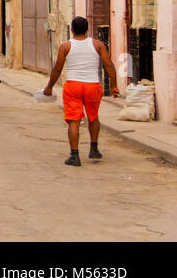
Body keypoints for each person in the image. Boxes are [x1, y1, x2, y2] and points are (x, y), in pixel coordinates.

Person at [42, 16, 121, 166]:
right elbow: (109, 65)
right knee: (93, 117)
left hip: (73, 86)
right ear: (87, 29)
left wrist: (49, 87)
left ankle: (74, 155)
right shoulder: (98, 45)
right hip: (92, 86)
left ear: (71, 29)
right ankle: (94, 149)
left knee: (74, 121)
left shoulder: (65, 46)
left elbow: (57, 68)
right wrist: (114, 85)